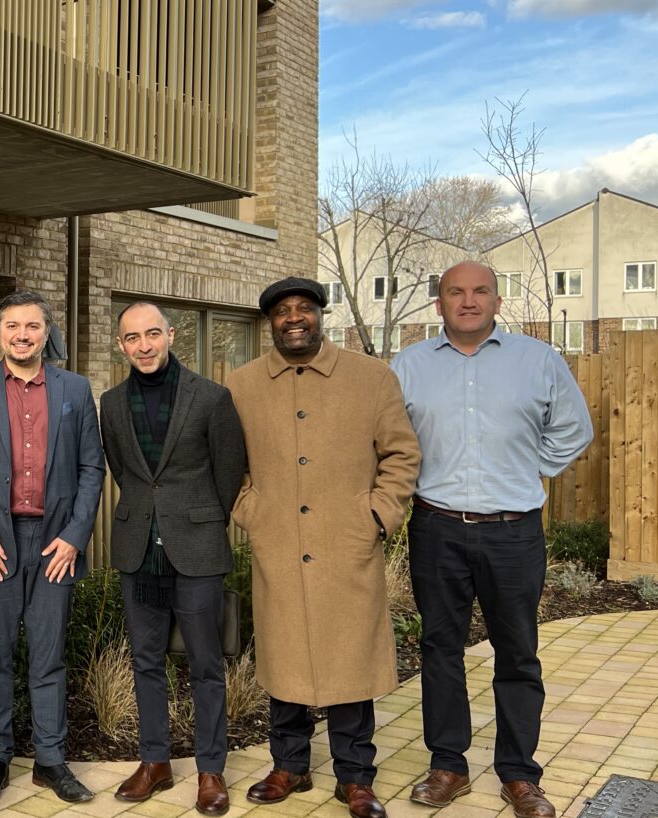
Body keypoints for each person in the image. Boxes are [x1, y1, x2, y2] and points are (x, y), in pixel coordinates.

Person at [390, 261, 593, 818]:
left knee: (518, 653)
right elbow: (386, 440)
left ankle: (519, 774)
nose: (468, 300)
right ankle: (447, 764)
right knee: (439, 649)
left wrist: (530, 469)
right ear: (439, 304)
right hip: (436, 529)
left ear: (498, 301)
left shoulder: (539, 360)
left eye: (480, 291)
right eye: (456, 292)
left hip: (514, 532)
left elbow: (576, 427)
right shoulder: (406, 367)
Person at [223, 277, 420, 818]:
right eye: (282, 311)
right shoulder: (241, 386)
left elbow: (401, 455)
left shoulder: (372, 377)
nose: (293, 318)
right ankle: (289, 765)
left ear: (319, 315)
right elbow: (227, 464)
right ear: (270, 323)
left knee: (350, 662)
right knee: (284, 659)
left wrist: (376, 515)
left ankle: (356, 777)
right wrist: (252, 514)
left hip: (347, 544)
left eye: (303, 308)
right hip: (279, 543)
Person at [0, 290, 106, 805]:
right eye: (12, 326)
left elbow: (90, 468)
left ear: (45, 331)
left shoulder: (75, 389)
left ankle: (50, 760)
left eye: (32, 326)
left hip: (55, 542)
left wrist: (76, 536)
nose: (22, 335)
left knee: (48, 655)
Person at [99, 303, 246, 812]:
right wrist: (151, 515)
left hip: (197, 548)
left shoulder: (211, 397)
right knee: (146, 660)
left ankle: (210, 769)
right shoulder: (112, 404)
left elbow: (228, 473)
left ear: (170, 335)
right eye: (133, 337)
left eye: (152, 334)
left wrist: (193, 518)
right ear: (121, 345)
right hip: (139, 550)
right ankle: (155, 761)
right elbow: (125, 471)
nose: (144, 345)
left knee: (205, 662)